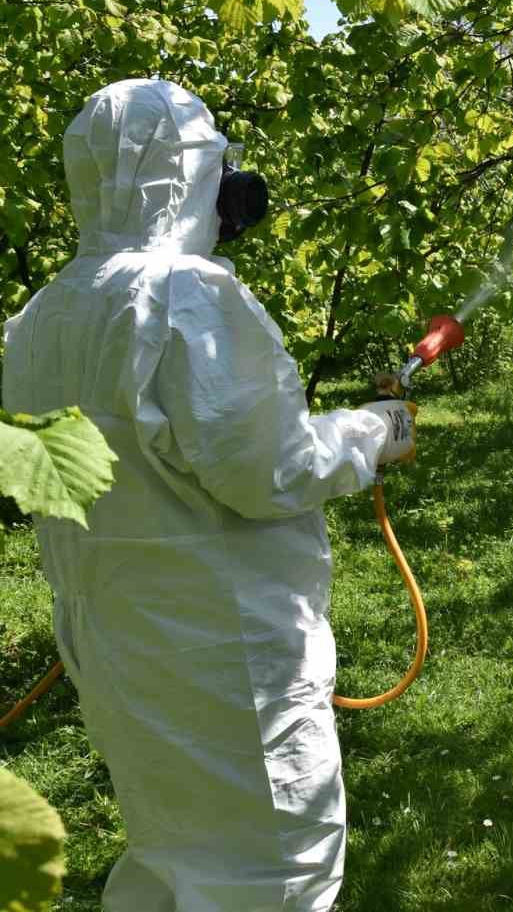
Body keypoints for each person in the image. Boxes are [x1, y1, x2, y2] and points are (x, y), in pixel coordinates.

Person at [3, 79, 417, 910]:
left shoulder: (41, 316)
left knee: (171, 860)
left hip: (117, 643)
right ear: (188, 170)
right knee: (274, 873)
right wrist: (374, 433)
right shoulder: (185, 295)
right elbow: (274, 469)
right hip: (225, 654)